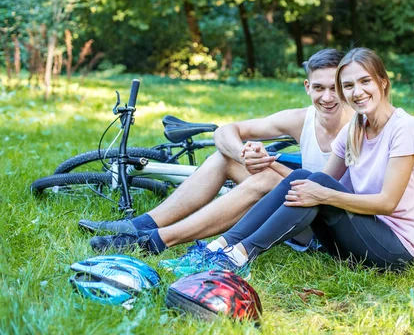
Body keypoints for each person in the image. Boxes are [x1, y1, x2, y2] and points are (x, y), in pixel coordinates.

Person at [86, 49, 354, 266]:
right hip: (296, 204)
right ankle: (140, 225)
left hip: (330, 226)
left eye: (335, 88)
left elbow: (323, 187)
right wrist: (244, 155)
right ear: (307, 87)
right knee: (224, 158)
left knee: (267, 179)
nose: (327, 97)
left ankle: (159, 239)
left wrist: (270, 167)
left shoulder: (359, 125)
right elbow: (226, 131)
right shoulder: (301, 119)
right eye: (319, 88)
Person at [185, 47, 414, 277]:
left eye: (365, 81)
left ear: (383, 81)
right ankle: (222, 245)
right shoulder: (354, 128)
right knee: (305, 178)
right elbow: (316, 180)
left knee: (316, 186)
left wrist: (323, 195)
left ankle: (239, 255)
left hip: (396, 251)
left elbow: (387, 203)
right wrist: (275, 166)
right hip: (359, 235)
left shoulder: (404, 128)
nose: (357, 92)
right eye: (348, 85)